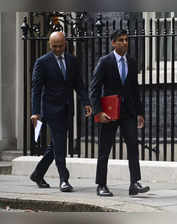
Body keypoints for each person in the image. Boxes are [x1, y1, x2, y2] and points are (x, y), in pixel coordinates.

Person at [89, 29, 150, 197]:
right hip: (109, 114)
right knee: (104, 149)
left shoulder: (131, 62)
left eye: (126, 40)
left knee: (132, 146)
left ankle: (134, 183)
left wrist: (140, 112)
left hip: (128, 113)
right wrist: (98, 112)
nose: (125, 43)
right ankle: (101, 185)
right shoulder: (105, 62)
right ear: (113, 43)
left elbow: (134, 89)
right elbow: (93, 89)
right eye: (121, 40)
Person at [30, 31, 92, 192]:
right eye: (54, 46)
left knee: (56, 144)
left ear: (65, 44)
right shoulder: (42, 62)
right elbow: (36, 89)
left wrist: (86, 102)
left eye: (60, 46)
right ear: (50, 45)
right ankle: (64, 179)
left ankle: (38, 173)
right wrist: (35, 112)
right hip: (51, 109)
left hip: (67, 108)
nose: (57, 49)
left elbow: (79, 84)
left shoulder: (72, 60)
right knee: (60, 145)